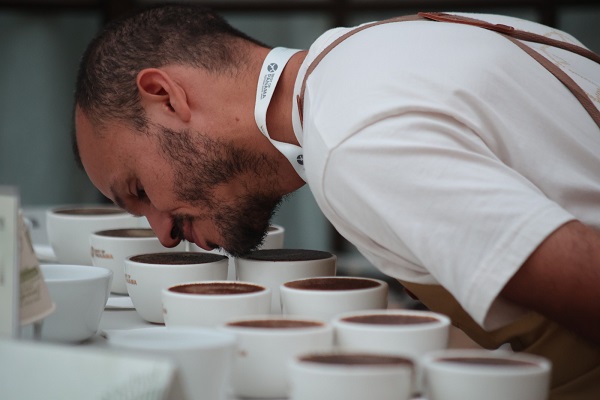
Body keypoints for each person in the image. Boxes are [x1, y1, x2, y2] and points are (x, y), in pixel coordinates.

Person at [73, 3, 600, 398]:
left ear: (167, 96)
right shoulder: (398, 45)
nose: (162, 232)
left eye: (139, 191)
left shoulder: (356, 141)